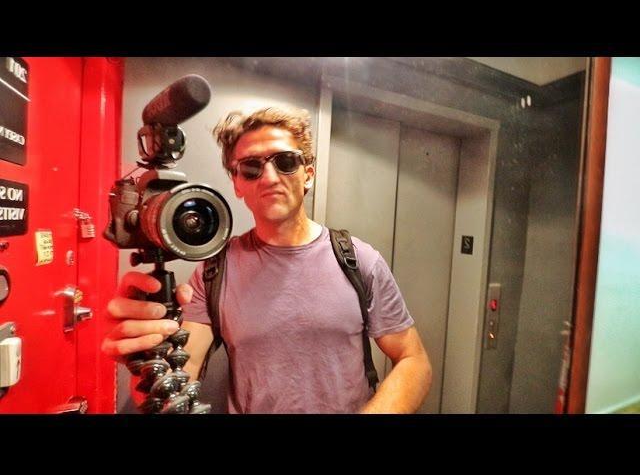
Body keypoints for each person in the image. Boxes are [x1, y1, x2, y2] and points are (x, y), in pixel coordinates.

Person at [102, 106, 432, 414]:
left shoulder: (358, 260)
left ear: (308, 174)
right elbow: (179, 376)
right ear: (237, 184)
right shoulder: (215, 270)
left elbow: (414, 360)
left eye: (286, 161)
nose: (270, 177)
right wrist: (146, 361)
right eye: (251, 167)